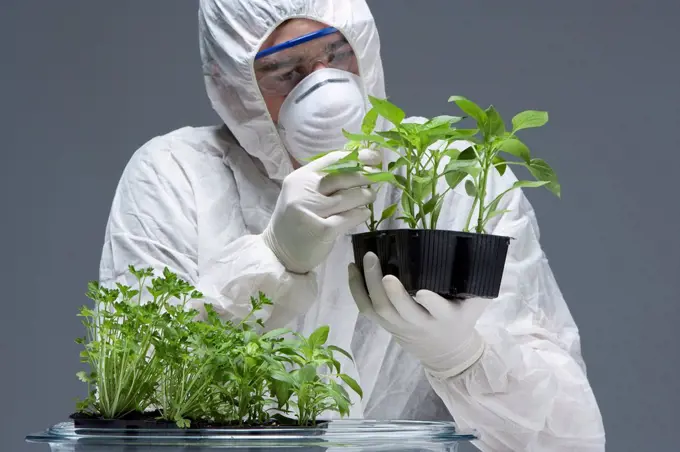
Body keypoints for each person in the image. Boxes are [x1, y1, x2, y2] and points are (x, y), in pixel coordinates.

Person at [98, 0, 606, 450]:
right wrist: (272, 258)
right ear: (232, 84)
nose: (325, 88)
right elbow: (135, 405)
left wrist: (462, 357)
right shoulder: (178, 176)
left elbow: (569, 441)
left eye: (338, 54)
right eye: (285, 72)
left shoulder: (455, 185)